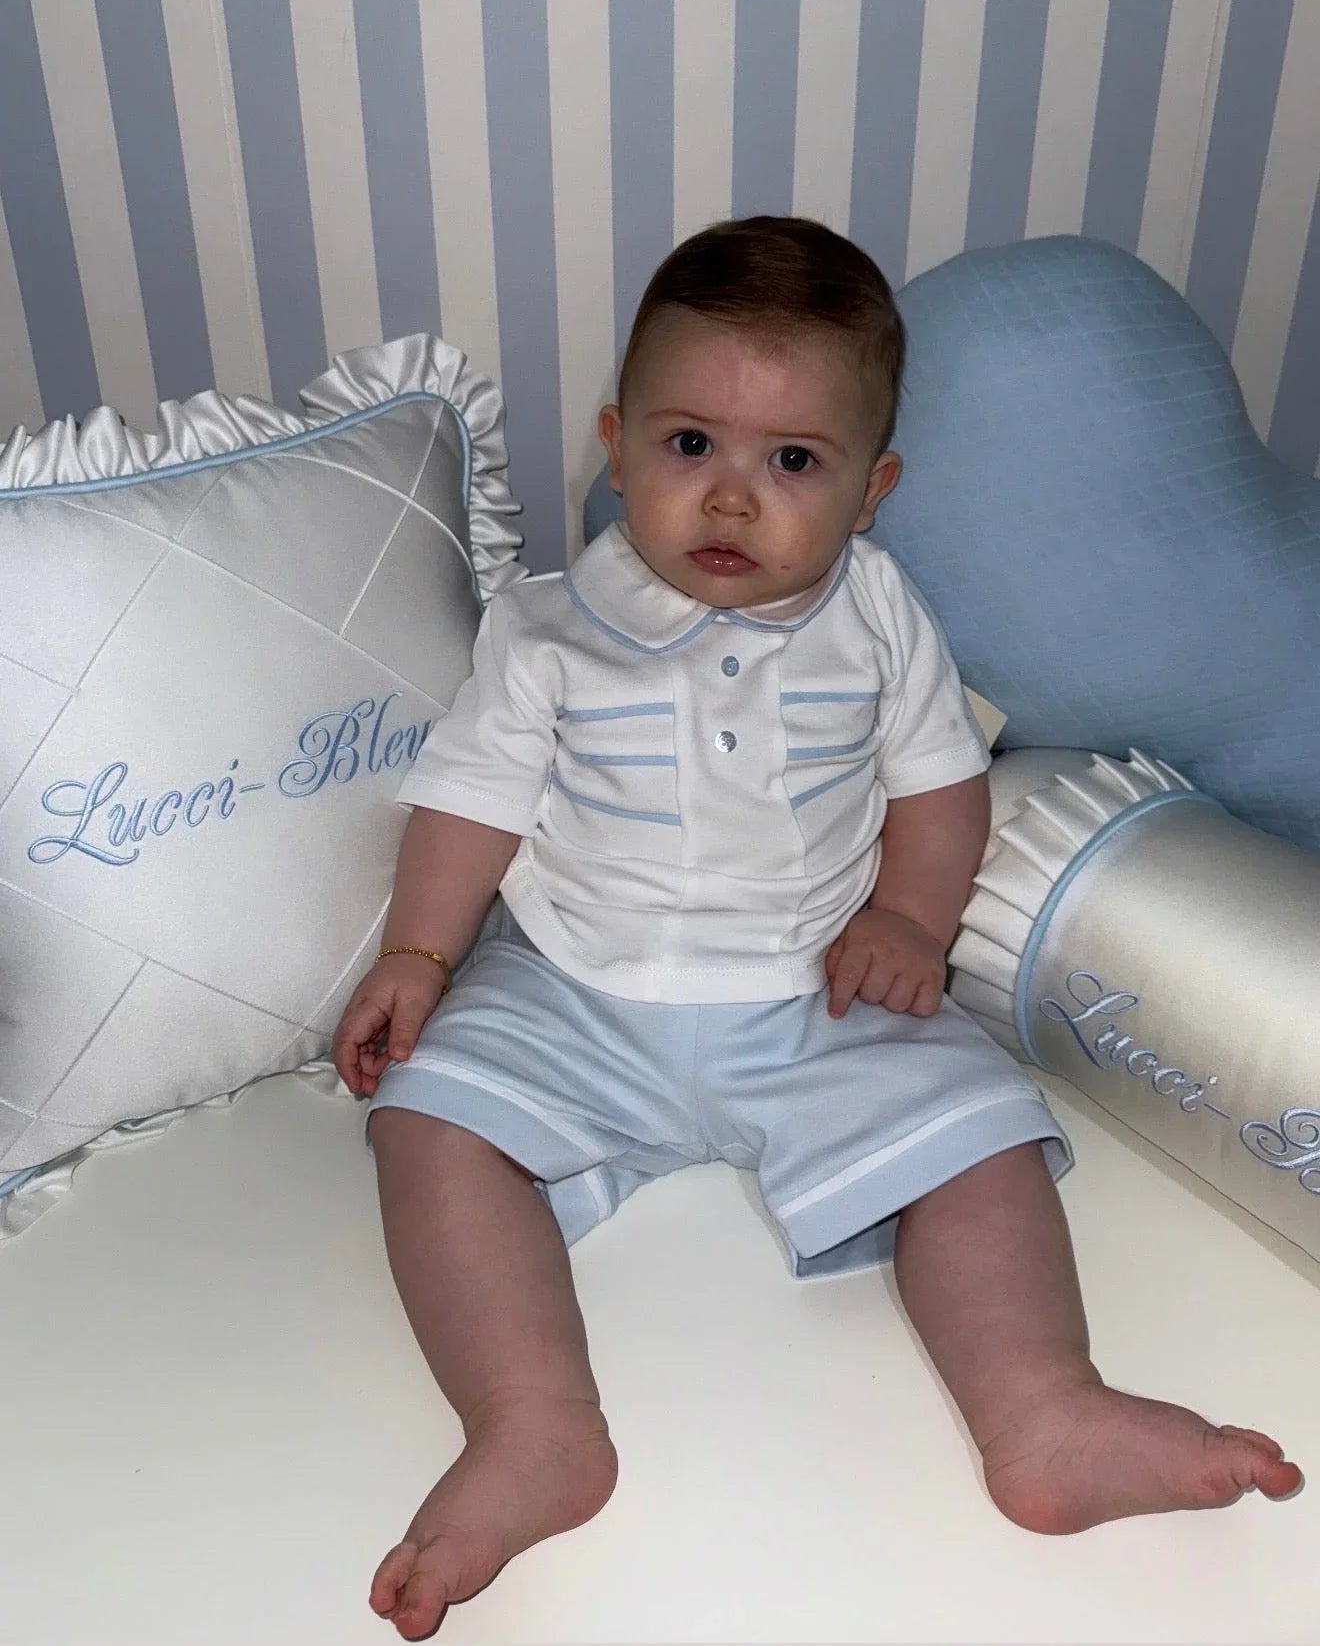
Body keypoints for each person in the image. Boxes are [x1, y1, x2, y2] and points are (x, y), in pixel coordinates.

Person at [332, 217, 1301, 1640]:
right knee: (424, 1127)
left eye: (793, 463)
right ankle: (533, 1423)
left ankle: (1043, 1405)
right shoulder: (547, 628)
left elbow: (940, 789)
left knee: (980, 1138)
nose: (733, 498)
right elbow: (471, 802)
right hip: (579, 989)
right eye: (689, 446)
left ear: (870, 490)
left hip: (813, 995)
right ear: (615, 441)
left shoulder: (883, 621)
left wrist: (911, 916)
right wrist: (418, 956)